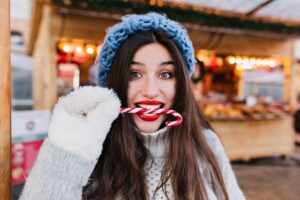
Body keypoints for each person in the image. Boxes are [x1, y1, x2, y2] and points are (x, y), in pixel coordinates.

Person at [20, 13, 245, 200]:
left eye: (166, 74)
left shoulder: (206, 145)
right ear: (116, 82)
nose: (150, 90)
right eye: (134, 73)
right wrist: (66, 151)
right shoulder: (91, 147)